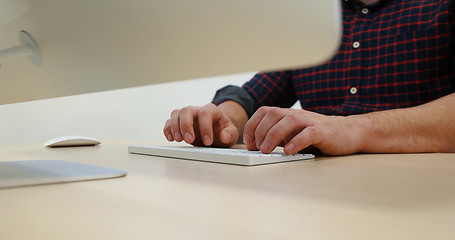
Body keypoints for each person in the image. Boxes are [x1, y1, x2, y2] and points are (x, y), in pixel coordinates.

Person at [163, 0, 455, 156]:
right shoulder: (315, 23)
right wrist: (221, 118)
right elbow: (253, 97)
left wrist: (354, 129)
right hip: (318, 200)